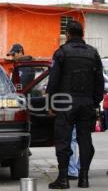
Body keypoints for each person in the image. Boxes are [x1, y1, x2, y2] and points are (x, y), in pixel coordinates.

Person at [46, 20, 104, 189]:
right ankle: (83, 179)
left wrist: (51, 103)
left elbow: (53, 80)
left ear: (67, 35)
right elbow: (99, 81)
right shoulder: (93, 53)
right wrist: (95, 102)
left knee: (63, 141)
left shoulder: (61, 53)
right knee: (85, 140)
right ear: (83, 34)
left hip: (65, 103)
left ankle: (63, 179)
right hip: (86, 103)